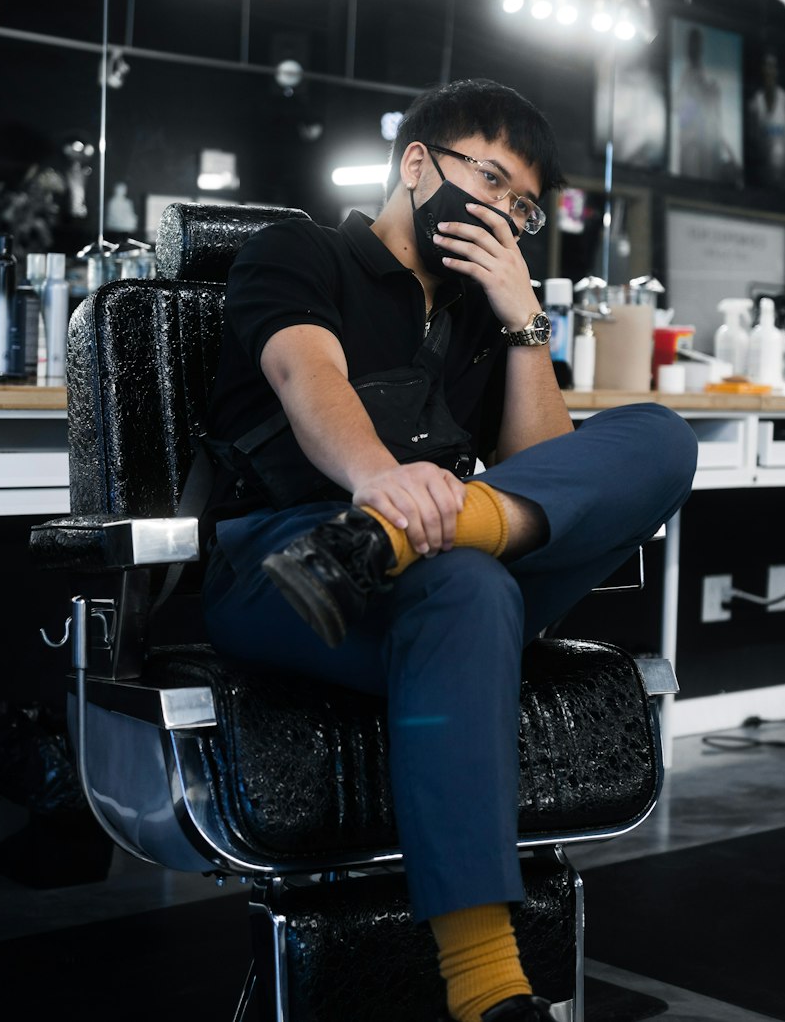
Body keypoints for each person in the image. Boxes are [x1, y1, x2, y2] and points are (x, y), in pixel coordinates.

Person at [201, 78, 698, 1022]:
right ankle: (485, 983)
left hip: (435, 567)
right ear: (418, 164)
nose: (506, 215)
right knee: (470, 584)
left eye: (524, 208)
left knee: (661, 438)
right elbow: (304, 375)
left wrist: (521, 322)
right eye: (493, 181)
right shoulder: (299, 253)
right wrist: (378, 481)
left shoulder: (481, 312)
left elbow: (548, 478)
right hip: (284, 568)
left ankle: (388, 543)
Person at [673, 25, 740, 183]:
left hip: (708, 151)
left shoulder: (707, 79)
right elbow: (680, 110)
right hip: (691, 148)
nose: (693, 49)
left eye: (696, 45)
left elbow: (715, 120)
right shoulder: (685, 78)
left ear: (700, 48)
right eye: (691, 45)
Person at [747, 53, 785, 191]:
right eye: (766, 65)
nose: (769, 70)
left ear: (777, 71)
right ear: (761, 69)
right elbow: (751, 143)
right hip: (763, 183)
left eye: (772, 66)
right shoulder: (754, 105)